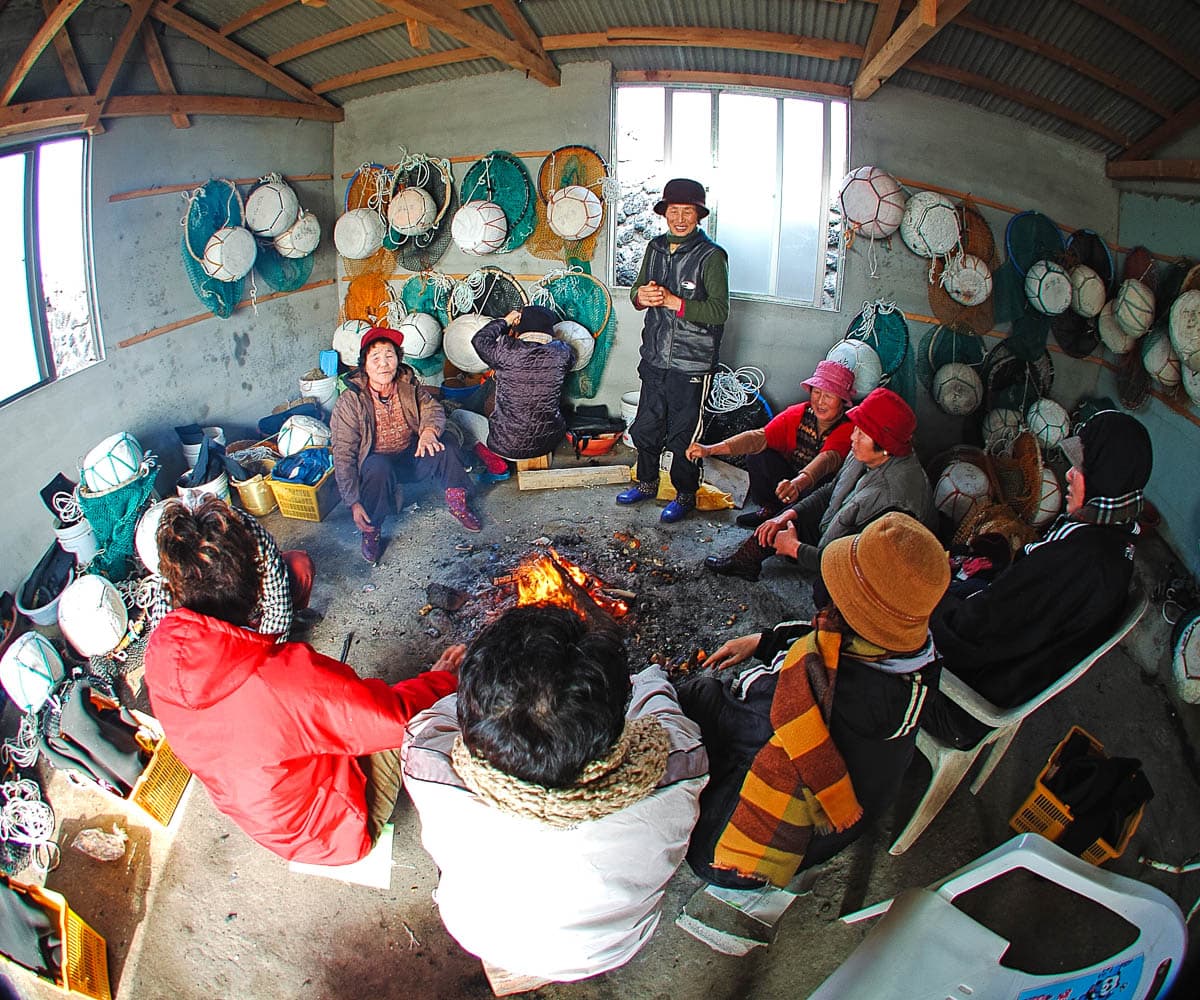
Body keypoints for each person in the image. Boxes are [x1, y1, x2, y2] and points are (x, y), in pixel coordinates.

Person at [143, 495, 459, 866]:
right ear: (255, 587)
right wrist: (441, 681)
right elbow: (394, 718)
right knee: (422, 716)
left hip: (265, 817)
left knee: (343, 708)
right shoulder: (281, 680)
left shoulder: (161, 654)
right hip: (328, 833)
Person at [401, 605, 708, 982]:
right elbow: (665, 715)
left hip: (482, 934)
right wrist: (648, 679)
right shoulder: (678, 769)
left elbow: (435, 718)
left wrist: (490, 697)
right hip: (614, 946)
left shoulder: (429, 763)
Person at [679, 512, 949, 889]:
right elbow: (824, 637)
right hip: (844, 818)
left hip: (743, 852)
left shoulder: (812, 696)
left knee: (696, 701)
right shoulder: (916, 661)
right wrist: (765, 640)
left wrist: (666, 690)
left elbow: (737, 716)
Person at [923, 410, 1153, 749]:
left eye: (1081, 468)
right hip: (1007, 666)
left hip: (961, 701)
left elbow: (972, 633)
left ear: (1106, 478)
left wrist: (926, 607)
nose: (1069, 475)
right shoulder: (1114, 540)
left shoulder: (1076, 563)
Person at [705, 386, 934, 585]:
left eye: (862, 434)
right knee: (782, 520)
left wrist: (795, 549)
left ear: (885, 446)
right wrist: (785, 516)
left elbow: (854, 560)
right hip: (841, 521)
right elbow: (832, 489)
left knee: (822, 593)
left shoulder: (893, 502)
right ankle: (745, 561)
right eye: (856, 429)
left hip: (870, 565)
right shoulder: (867, 453)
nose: (853, 438)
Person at [616, 178, 729, 523]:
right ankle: (647, 482)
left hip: (692, 363)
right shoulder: (655, 247)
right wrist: (640, 297)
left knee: (683, 436)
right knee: (646, 426)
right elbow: (637, 289)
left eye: (688, 211)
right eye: (674, 211)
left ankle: (685, 495)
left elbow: (719, 311)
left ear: (699, 215)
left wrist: (675, 302)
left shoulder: (711, 256)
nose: (680, 219)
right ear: (665, 213)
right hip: (654, 356)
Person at [331, 326, 480, 564]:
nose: (383, 364)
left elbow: (432, 408)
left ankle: (457, 503)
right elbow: (343, 453)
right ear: (364, 365)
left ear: (398, 359)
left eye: (389, 356)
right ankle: (371, 530)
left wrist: (428, 432)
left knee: (446, 444)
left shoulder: (407, 385)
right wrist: (353, 502)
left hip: (412, 455)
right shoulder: (351, 401)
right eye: (375, 358)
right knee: (377, 466)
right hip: (377, 468)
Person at [687, 359, 855, 529]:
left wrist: (797, 484)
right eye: (817, 392)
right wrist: (709, 450)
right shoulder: (798, 413)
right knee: (758, 455)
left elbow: (827, 459)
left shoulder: (849, 427)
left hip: (815, 487)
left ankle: (785, 521)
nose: (820, 401)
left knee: (817, 494)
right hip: (791, 479)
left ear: (842, 401)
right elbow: (759, 437)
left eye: (829, 396)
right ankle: (771, 508)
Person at [143, 500, 314, 642]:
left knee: (299, 566)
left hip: (251, 607)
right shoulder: (172, 573)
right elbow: (166, 646)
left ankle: (276, 621)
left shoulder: (247, 532)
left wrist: (266, 652)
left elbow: (277, 603)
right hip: (212, 636)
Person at [469, 305, 573, 461]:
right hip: (547, 443)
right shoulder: (563, 353)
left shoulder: (506, 352)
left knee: (458, 416)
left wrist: (505, 321)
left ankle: (491, 461)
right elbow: (568, 360)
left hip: (506, 447)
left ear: (521, 326)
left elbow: (479, 340)